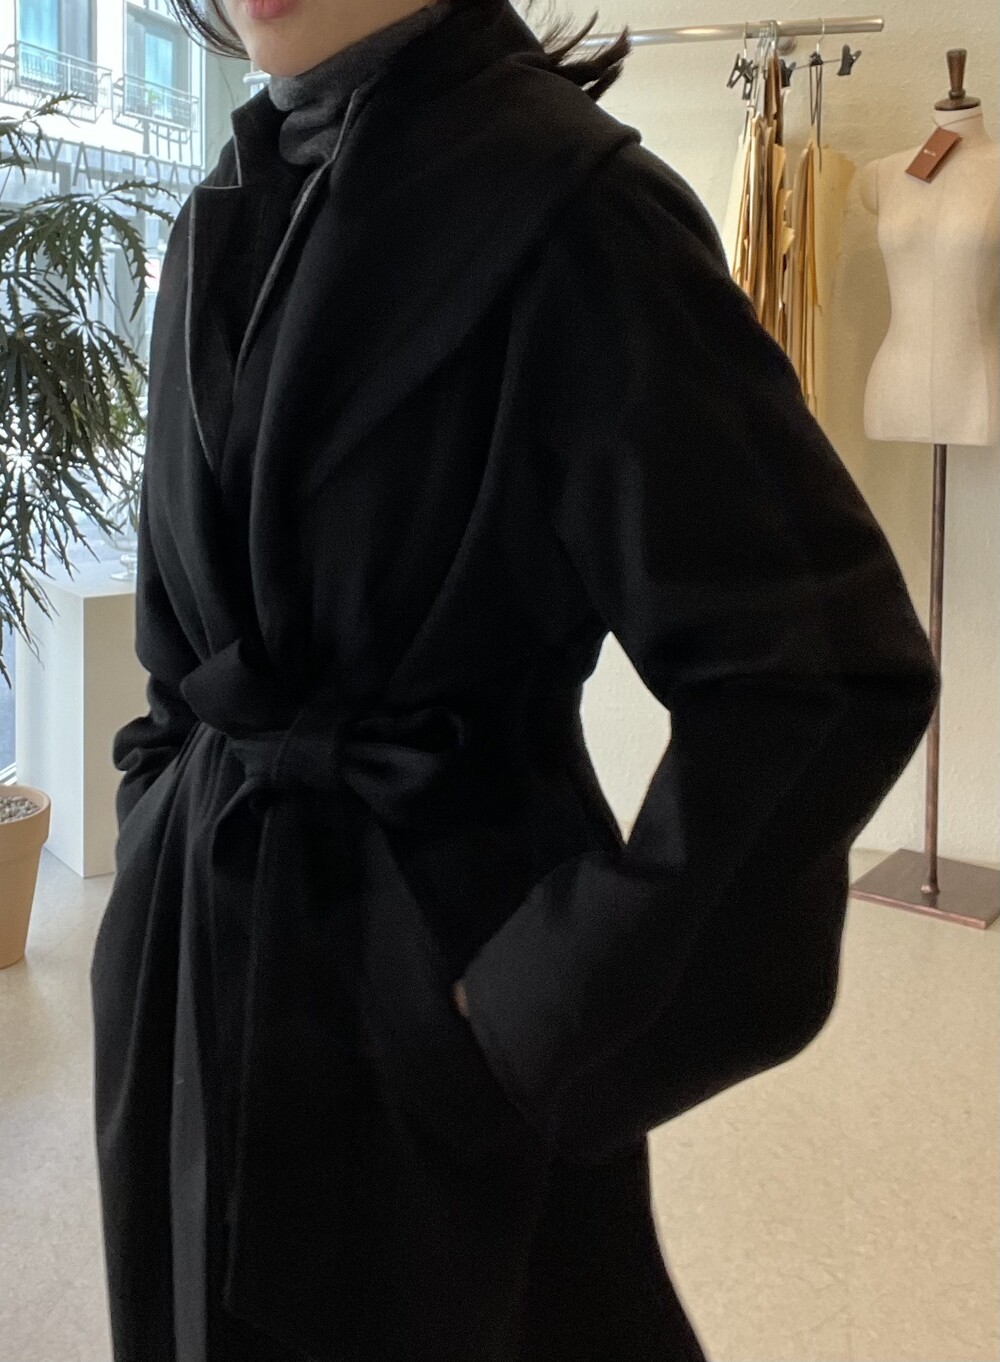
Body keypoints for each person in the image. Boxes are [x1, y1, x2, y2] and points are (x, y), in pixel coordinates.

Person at [88, 1, 941, 1360]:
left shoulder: (576, 213)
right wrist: (152, 830)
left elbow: (819, 669)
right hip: (195, 964)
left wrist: (551, 1003)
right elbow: (179, 647)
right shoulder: (224, 206)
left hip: (432, 980)